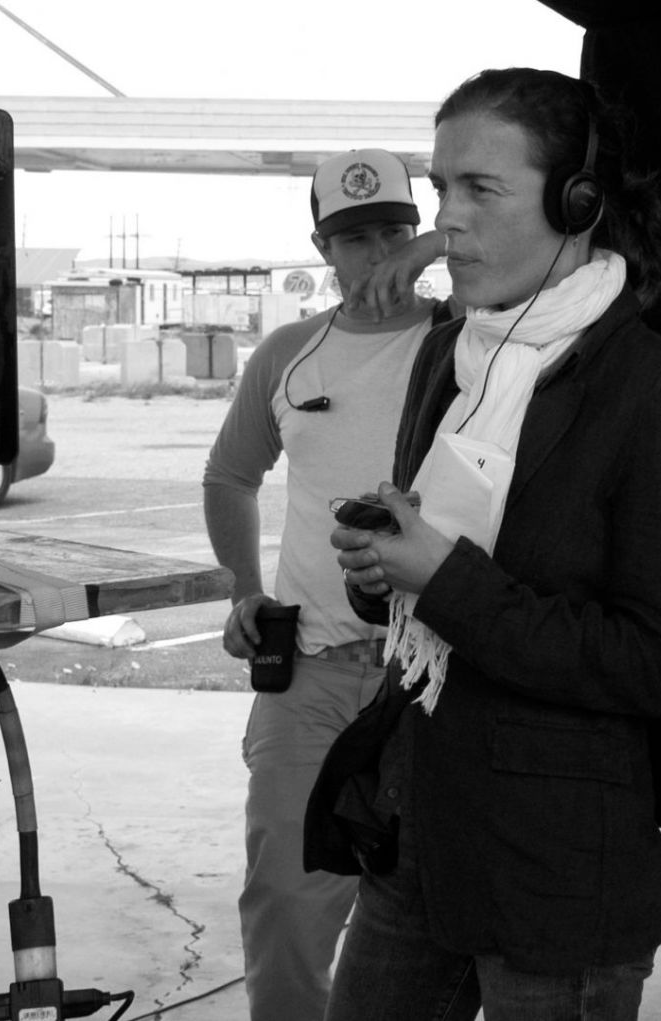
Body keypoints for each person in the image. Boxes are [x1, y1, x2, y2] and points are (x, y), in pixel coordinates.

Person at [317, 67, 661, 1020]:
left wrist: (444, 578)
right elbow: (419, 577)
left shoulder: (659, 399)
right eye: (442, 187)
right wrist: (382, 566)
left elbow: (660, 665)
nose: (446, 220)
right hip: (417, 829)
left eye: (481, 189)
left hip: (553, 875)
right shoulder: (449, 353)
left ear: (576, 203)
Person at [202, 147, 452, 1021]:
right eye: (355, 239)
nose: (378, 254)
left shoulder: (469, 337)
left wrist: (433, 254)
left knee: (438, 912)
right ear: (321, 248)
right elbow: (229, 476)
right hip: (312, 670)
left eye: (394, 232)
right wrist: (243, 589)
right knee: (285, 902)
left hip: (437, 675)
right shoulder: (289, 353)